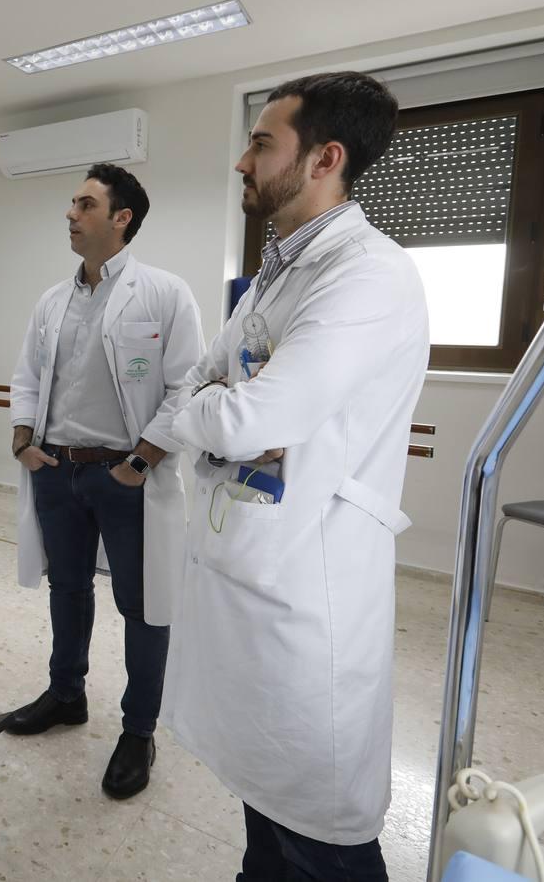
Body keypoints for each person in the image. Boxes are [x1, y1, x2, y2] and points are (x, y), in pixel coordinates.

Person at [159, 72, 429, 881]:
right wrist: (226, 409)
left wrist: (227, 410)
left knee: (322, 834)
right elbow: (190, 394)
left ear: (324, 158)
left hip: (307, 589)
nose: (242, 161)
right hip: (247, 568)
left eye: (261, 142)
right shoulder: (275, 274)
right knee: (266, 815)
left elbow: (240, 418)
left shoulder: (367, 275)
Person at [7, 163, 203, 799]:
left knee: (142, 605)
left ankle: (139, 730)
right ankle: (67, 694)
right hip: (57, 470)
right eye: (71, 203)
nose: (70, 213)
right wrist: (22, 440)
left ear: (122, 219)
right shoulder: (51, 300)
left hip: (125, 477)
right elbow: (29, 376)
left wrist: (140, 461)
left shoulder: (165, 294)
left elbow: (186, 387)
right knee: (66, 588)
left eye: (84, 204)